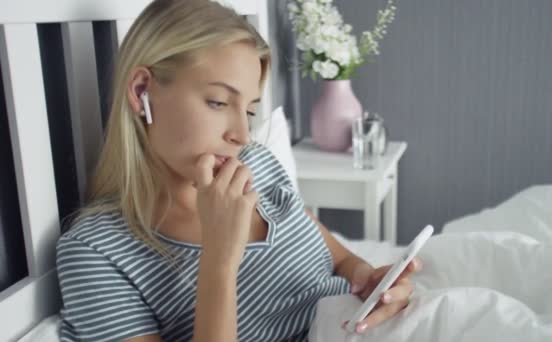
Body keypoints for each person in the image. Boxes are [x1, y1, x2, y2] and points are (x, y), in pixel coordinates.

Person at [55, 0, 422, 341]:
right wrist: (219, 255)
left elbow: (340, 260)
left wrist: (371, 281)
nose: (242, 135)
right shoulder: (96, 252)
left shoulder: (257, 165)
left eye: (248, 111)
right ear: (141, 91)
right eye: (217, 102)